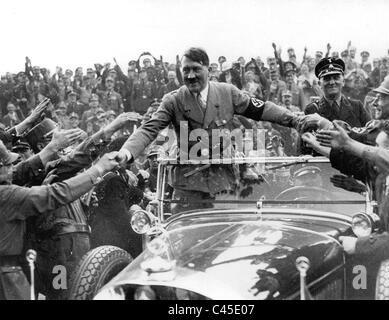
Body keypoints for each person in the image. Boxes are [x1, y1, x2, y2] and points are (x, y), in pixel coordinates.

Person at [115, 47, 328, 214]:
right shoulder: (173, 100)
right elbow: (148, 129)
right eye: (186, 70)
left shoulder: (227, 93)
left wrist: (295, 120)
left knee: (224, 238)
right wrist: (127, 151)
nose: (190, 76)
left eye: (196, 69)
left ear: (208, 69)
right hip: (188, 186)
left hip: (224, 183)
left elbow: (262, 109)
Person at [304, 119, 389, 298]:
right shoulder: (384, 179)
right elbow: (354, 165)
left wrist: (358, 245)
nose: (371, 152)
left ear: (388, 152)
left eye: (376, 147)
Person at [0, 139, 119, 300]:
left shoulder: (32, 180)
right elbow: (56, 193)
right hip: (55, 250)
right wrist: (98, 168)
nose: (13, 168)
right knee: (61, 291)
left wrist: (85, 206)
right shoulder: (39, 178)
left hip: (71, 246)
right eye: (9, 165)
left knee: (75, 285)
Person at [304, 57, 370, 127]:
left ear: (343, 82)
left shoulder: (357, 107)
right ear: (320, 84)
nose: (332, 82)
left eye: (336, 78)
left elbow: (371, 134)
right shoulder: (312, 110)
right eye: (327, 79)